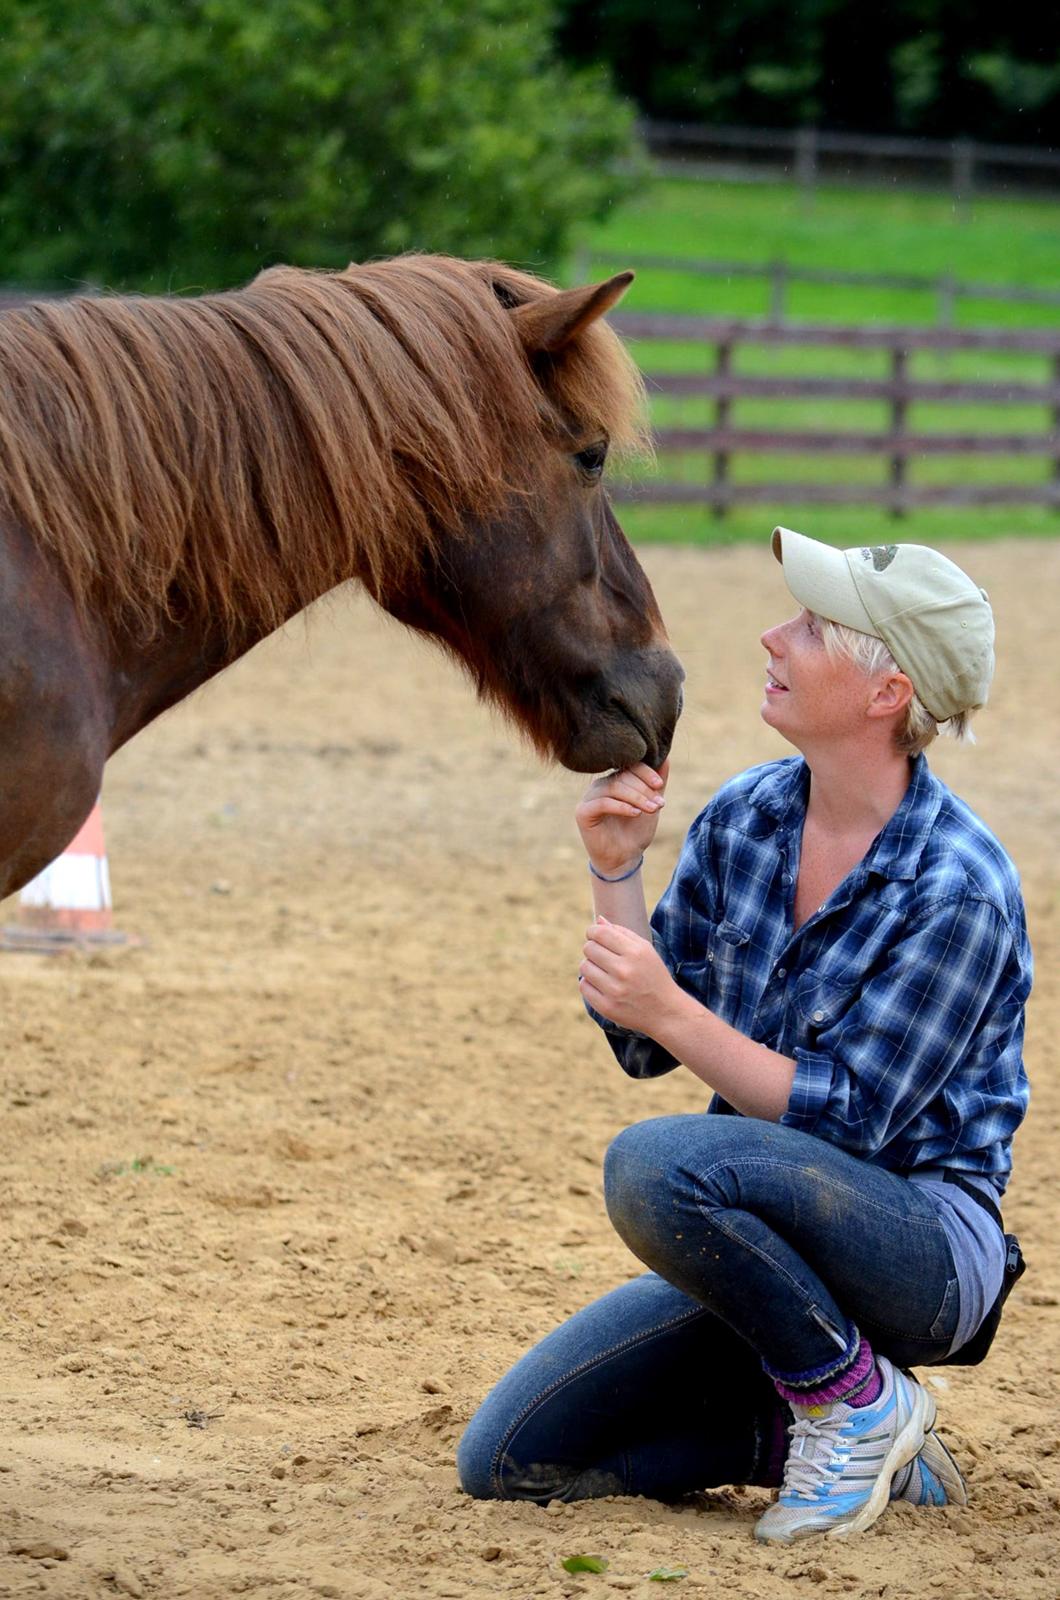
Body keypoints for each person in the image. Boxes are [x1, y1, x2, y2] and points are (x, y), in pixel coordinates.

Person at [457, 527, 1031, 1543]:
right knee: (507, 1458)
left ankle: (855, 1396)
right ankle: (838, 1444)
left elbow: (844, 1120)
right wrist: (617, 871)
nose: (771, 634)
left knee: (652, 1165)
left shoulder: (960, 889)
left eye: (809, 626)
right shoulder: (750, 815)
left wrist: (671, 1009)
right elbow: (639, 1041)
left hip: (921, 1248)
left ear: (884, 691)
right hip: (758, 1227)